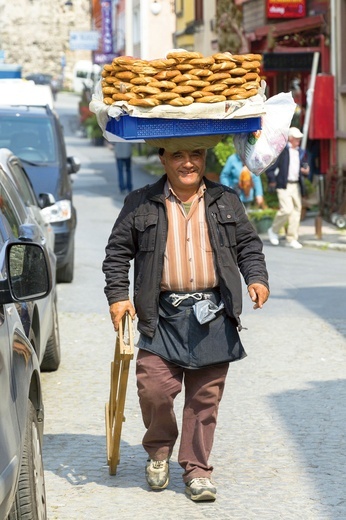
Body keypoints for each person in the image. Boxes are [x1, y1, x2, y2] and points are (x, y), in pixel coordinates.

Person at [103, 143, 269, 502]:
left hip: (212, 313)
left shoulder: (225, 200)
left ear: (205, 158)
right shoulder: (140, 202)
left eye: (195, 154)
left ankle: (196, 470)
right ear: (163, 159)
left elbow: (248, 247)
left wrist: (256, 278)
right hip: (160, 313)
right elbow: (117, 253)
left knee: (204, 398)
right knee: (155, 389)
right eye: (178, 155)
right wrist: (118, 297)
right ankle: (159, 450)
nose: (188, 162)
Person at [266, 127, 310, 249]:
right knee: (286, 209)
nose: (298, 141)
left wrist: (305, 170)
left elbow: (304, 166)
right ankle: (274, 230)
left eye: (299, 138)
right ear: (290, 138)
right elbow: (271, 167)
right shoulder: (282, 151)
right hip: (283, 184)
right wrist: (272, 180)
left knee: (297, 210)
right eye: (296, 138)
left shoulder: (300, 152)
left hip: (295, 184)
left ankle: (292, 238)